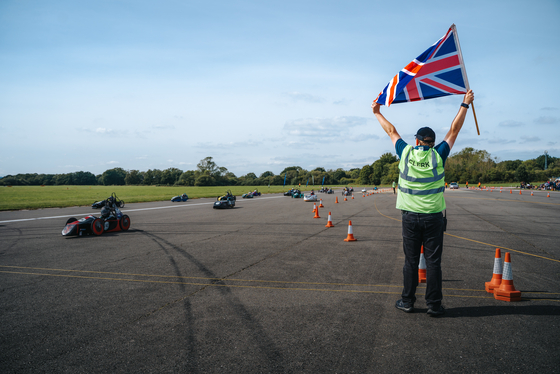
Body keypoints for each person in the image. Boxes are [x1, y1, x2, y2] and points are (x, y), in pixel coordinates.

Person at [371, 90, 474, 317]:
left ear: (417, 141)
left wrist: (377, 112)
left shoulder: (406, 152)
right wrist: (464, 104)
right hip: (434, 217)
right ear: (433, 142)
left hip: (409, 217)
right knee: (433, 262)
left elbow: (391, 130)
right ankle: (434, 305)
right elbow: (454, 130)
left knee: (410, 261)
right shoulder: (439, 155)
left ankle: (407, 301)